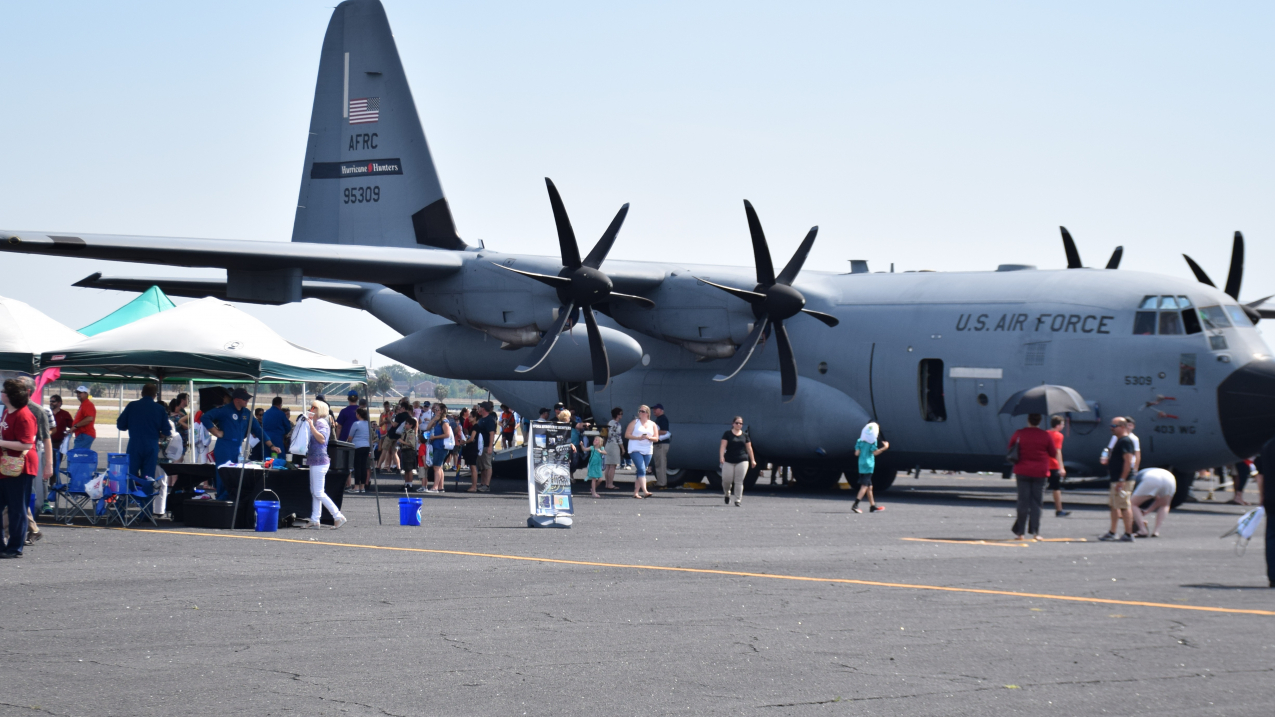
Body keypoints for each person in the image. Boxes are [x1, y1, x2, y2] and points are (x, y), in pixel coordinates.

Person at [199, 388, 264, 500]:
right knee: (223, 477)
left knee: (234, 477)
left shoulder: (244, 412)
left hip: (236, 449)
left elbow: (254, 429)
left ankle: (228, 499)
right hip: (225, 448)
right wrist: (216, 432)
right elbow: (205, 417)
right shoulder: (223, 410)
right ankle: (221, 500)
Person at [0, 379, 37, 558]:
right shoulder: (7, 412)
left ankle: (15, 547)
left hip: (20, 467)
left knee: (17, 508)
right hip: (5, 465)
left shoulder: (24, 415)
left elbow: (27, 444)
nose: (1, 393)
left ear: (11, 396)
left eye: (4, 391)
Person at [1006, 414, 1055, 540]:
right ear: (1040, 421)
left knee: (1023, 502)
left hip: (1022, 470)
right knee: (1036, 503)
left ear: (1028, 421)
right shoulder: (1045, 435)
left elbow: (1010, 447)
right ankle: (1035, 532)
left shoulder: (1019, 433)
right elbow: (1053, 453)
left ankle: (1020, 533)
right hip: (1040, 472)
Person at [299, 400, 346, 529]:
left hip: (320, 461)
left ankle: (337, 515)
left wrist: (311, 425)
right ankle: (315, 519)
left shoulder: (321, 422)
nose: (311, 409)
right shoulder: (318, 422)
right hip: (315, 460)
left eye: (313, 407)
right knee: (315, 491)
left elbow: (322, 439)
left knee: (318, 492)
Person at [116, 383, 172, 484]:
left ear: (142, 393)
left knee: (131, 475)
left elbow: (120, 425)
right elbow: (166, 431)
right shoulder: (160, 409)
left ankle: (131, 498)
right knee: (148, 477)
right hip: (151, 444)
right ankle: (146, 498)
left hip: (135, 444)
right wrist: (156, 434)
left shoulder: (132, 406)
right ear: (155, 395)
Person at [1100, 417, 1137, 542]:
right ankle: (1113, 531)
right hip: (1117, 478)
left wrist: (1122, 479)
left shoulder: (1126, 441)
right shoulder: (1119, 440)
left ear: (1122, 426)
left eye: (1114, 426)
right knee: (1115, 505)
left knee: (1124, 506)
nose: (1111, 428)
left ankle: (1128, 533)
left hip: (1123, 479)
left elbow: (1128, 461)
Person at [852, 422, 890, 513]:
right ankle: (856, 504)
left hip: (861, 465)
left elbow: (856, 453)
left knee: (870, 487)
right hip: (869, 466)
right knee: (864, 486)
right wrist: (885, 448)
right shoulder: (872, 442)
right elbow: (875, 453)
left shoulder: (859, 441)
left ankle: (872, 506)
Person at [719, 415, 755, 507]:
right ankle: (727, 494)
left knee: (739, 481)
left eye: (741, 423)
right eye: (737, 423)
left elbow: (749, 448)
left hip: (742, 460)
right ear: (733, 424)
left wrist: (752, 460)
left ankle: (738, 500)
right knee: (726, 480)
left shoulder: (745, 435)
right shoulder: (727, 434)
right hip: (729, 460)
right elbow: (723, 446)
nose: (739, 425)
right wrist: (722, 456)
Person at [1252, 440, 1274, 587]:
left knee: (1272, 538)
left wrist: (1262, 497)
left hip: (1271, 497)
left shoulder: (1267, 445)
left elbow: (1260, 476)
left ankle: (1273, 576)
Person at [1130, 467, 1176, 538]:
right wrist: (1147, 511)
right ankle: (1156, 531)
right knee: (1165, 505)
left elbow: (1134, 498)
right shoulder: (1145, 471)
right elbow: (1159, 500)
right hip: (1170, 477)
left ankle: (1142, 530)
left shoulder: (1135, 477)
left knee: (1132, 504)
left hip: (1151, 478)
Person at [625, 405, 659, 499]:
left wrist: (648, 438)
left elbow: (656, 438)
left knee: (641, 470)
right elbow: (627, 435)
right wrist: (638, 438)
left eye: (643, 411)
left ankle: (636, 492)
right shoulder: (634, 422)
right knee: (642, 469)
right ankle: (645, 491)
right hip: (635, 448)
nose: (640, 413)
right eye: (639, 411)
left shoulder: (652, 424)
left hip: (647, 449)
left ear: (647, 413)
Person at [1046, 416, 1071, 517]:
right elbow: (1058, 451)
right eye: (1062, 424)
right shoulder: (1059, 436)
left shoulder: (1045, 434)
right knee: (1056, 488)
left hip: (1044, 464)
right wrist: (1062, 467)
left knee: (1039, 487)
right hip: (1053, 464)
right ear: (1058, 425)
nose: (1063, 426)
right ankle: (1059, 509)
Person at [427, 404, 454, 493]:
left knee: (436, 467)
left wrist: (435, 437)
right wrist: (433, 420)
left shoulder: (444, 422)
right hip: (436, 445)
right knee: (439, 467)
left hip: (440, 446)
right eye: (435, 409)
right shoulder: (437, 421)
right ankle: (440, 486)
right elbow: (428, 428)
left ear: (442, 411)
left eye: (437, 409)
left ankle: (435, 487)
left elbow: (447, 434)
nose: (435, 411)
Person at [474, 401, 497, 492]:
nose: (478, 409)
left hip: (486, 445)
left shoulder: (489, 420)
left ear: (483, 409)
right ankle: (483, 483)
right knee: (482, 466)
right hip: (480, 446)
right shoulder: (481, 419)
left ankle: (487, 485)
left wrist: (490, 446)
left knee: (487, 465)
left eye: (480, 407)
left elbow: (492, 433)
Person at [48, 394, 73, 478]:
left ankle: (53, 483)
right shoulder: (47, 413)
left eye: (53, 401)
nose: (51, 403)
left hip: (59, 444)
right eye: (50, 401)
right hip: (47, 442)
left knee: (56, 464)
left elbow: (72, 426)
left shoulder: (65, 414)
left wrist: (68, 432)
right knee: (47, 463)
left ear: (59, 403)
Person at [348, 407, 372, 493]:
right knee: (363, 467)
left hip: (357, 446)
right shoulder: (368, 424)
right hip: (366, 446)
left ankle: (356, 487)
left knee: (357, 467)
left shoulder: (356, 424)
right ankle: (362, 486)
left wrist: (349, 441)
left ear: (358, 415)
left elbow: (350, 436)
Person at [651, 404, 671, 489]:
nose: (654, 411)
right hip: (659, 444)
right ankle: (661, 481)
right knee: (659, 463)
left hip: (661, 445)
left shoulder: (662, 419)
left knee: (661, 464)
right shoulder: (659, 419)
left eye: (656, 409)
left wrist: (653, 432)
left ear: (661, 410)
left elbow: (664, 431)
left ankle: (662, 483)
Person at [70, 385, 96, 450]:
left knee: (78, 455)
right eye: (77, 393)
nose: (78, 394)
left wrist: (75, 426)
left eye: (80, 393)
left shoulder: (88, 404)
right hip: (81, 434)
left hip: (85, 434)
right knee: (80, 456)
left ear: (86, 394)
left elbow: (89, 418)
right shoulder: (83, 404)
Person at [604, 407, 623, 490]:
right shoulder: (617, 425)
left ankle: (607, 483)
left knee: (608, 466)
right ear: (618, 415)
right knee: (613, 466)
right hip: (614, 445)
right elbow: (618, 438)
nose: (622, 415)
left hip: (608, 444)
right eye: (621, 414)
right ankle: (610, 484)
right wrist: (623, 448)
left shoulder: (610, 422)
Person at [398, 416, 420, 491]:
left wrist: (402, 442)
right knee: (406, 469)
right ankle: (406, 483)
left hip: (409, 451)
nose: (405, 425)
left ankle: (410, 484)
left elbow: (411, 444)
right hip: (404, 451)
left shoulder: (411, 433)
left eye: (407, 424)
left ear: (411, 425)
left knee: (409, 468)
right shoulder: (404, 432)